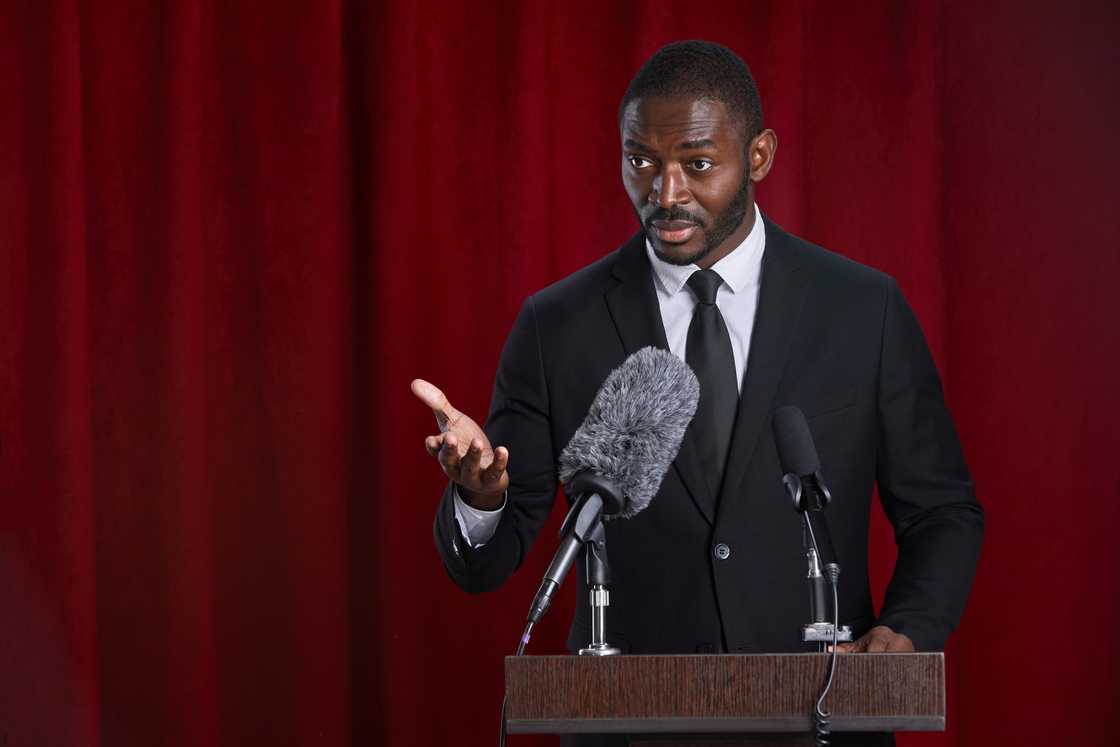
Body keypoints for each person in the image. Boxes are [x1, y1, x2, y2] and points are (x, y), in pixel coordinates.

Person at [412, 40, 983, 744]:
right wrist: (481, 497)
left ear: (760, 157)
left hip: (822, 720)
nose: (666, 193)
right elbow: (489, 561)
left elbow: (943, 512)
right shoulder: (556, 326)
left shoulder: (863, 310)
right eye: (640, 162)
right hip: (627, 727)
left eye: (697, 164)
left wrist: (908, 628)